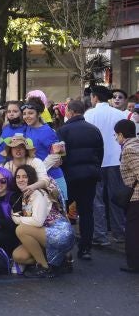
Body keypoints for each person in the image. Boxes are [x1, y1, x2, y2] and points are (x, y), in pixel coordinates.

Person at [56, 99, 103, 260]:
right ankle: (85, 248)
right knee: (86, 212)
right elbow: (99, 153)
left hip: (70, 176)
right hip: (89, 176)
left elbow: (60, 156)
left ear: (69, 111)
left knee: (64, 212)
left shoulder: (63, 130)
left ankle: (64, 247)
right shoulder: (94, 130)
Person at [12, 164, 74, 278]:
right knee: (18, 256)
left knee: (20, 229)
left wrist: (18, 219)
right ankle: (60, 262)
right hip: (46, 233)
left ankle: (44, 267)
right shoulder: (25, 195)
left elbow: (38, 222)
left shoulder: (37, 192)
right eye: (18, 177)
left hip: (60, 232)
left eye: (24, 176)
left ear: (31, 177)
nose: (21, 179)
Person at [85, 85, 127, 246]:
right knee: (116, 197)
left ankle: (100, 235)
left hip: (97, 161)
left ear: (95, 97)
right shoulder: (119, 114)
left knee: (97, 199)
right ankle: (118, 232)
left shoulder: (90, 114)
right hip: (116, 160)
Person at [114, 119, 139, 273]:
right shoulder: (136, 144)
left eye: (116, 135)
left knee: (133, 230)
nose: (116, 138)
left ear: (121, 134)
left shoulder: (129, 149)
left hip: (136, 197)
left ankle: (135, 263)